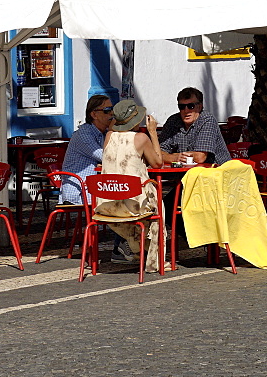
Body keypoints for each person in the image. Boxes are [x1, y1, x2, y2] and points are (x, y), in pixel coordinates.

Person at [59, 94, 134, 263]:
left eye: (113, 110)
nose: (112, 115)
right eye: (108, 110)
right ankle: (120, 246)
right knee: (121, 197)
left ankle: (127, 243)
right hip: (79, 190)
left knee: (130, 192)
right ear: (94, 114)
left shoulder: (103, 133)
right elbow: (106, 157)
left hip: (96, 187)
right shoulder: (84, 134)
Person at [98, 99, 165, 273]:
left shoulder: (108, 136)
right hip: (133, 207)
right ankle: (154, 259)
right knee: (158, 202)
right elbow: (158, 163)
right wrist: (153, 133)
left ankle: (137, 248)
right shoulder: (141, 138)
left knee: (141, 198)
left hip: (107, 205)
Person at [158, 87, 231, 166]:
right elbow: (158, 153)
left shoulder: (207, 119)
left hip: (217, 171)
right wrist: (173, 157)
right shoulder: (173, 121)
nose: (186, 110)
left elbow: (200, 157)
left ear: (199, 106)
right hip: (186, 173)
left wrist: (172, 157)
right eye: (182, 107)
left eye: (191, 106)